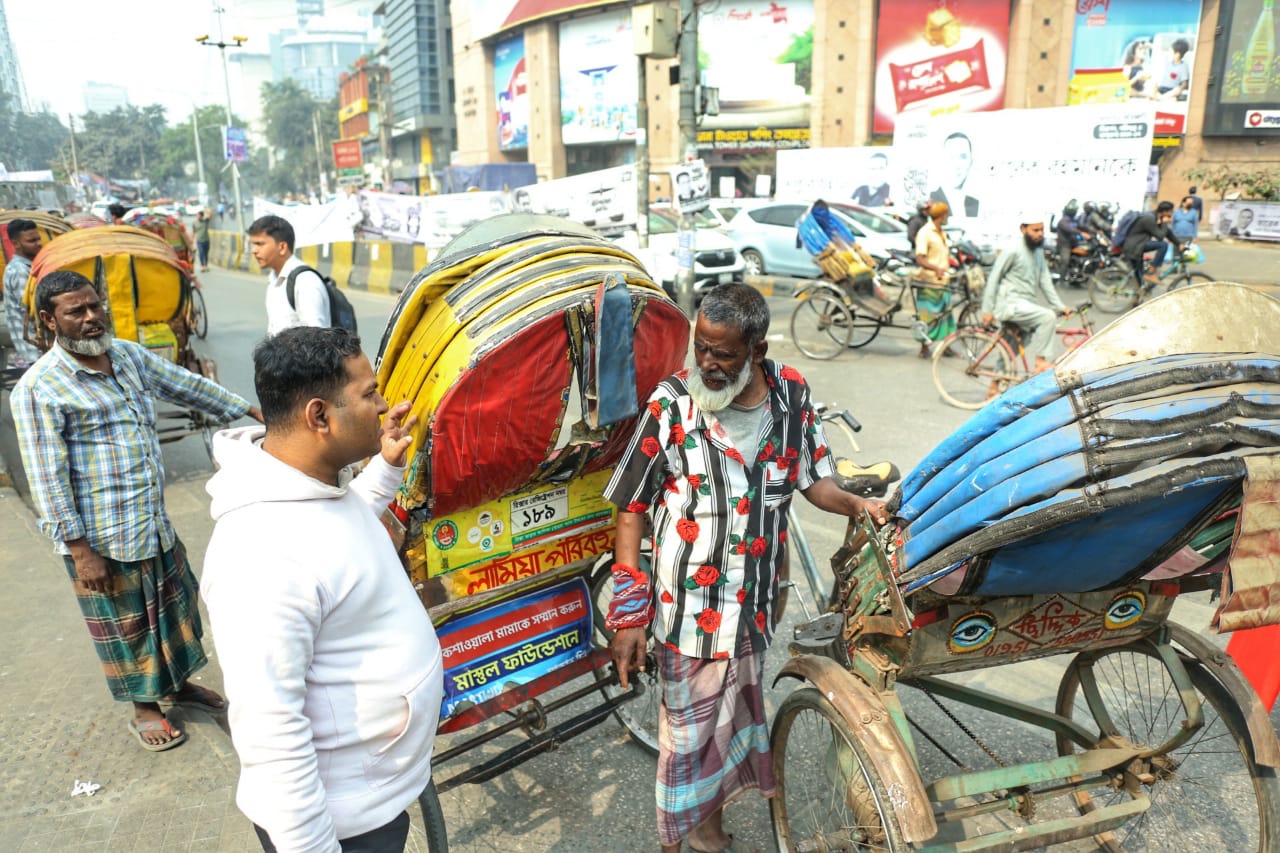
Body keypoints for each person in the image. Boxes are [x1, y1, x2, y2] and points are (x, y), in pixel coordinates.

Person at [603, 283, 887, 853]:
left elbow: (815, 480)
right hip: (688, 612)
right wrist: (629, 614)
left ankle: (708, 833)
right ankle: (675, 843)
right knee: (687, 742)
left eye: (723, 354)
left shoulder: (792, 396)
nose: (706, 363)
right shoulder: (672, 404)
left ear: (757, 350)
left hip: (754, 605)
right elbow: (630, 507)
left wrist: (857, 505)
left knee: (730, 726)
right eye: (700, 347)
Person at [202, 326, 443, 852]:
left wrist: (386, 467)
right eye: (370, 393)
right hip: (341, 827)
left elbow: (338, 528)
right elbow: (271, 736)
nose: (385, 406)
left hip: (372, 794)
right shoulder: (258, 553)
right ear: (319, 416)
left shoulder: (310, 489)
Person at [11, 270, 261, 751]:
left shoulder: (127, 356)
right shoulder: (39, 389)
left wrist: (250, 411)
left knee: (175, 610)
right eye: (76, 311)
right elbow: (47, 478)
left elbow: (186, 386)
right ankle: (145, 709)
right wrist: (79, 550)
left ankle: (178, 686)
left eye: (95, 306)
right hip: (100, 538)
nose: (91, 317)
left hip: (150, 521)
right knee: (127, 626)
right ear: (50, 320)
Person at [981, 218, 1071, 377]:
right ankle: (1040, 362)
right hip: (1010, 305)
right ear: (1023, 229)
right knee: (1047, 317)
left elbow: (1045, 281)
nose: (1040, 234)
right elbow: (994, 279)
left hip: (1026, 305)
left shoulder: (1038, 252)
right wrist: (987, 310)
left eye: (1041, 230)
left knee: (1012, 347)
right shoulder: (1012, 251)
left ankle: (994, 385)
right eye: (1035, 230)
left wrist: (1060, 306)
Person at [247, 214, 331, 335]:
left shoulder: (305, 282)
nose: (254, 250)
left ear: (282, 247)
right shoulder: (275, 279)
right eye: (254, 244)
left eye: (260, 244)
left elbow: (316, 338)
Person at [914, 201, 954, 357]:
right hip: (929, 282)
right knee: (927, 316)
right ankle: (924, 347)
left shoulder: (941, 232)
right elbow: (920, 259)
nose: (947, 217)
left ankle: (947, 346)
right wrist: (936, 268)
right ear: (942, 216)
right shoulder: (925, 232)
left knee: (946, 315)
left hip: (943, 281)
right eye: (946, 215)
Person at [3, 218, 43, 367]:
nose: (38, 243)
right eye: (32, 241)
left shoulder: (29, 267)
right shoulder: (20, 270)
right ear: (16, 244)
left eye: (38, 238)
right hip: (34, 349)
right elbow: (32, 310)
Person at [1123, 200, 1180, 285]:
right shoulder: (1149, 219)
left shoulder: (1156, 218)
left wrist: (1179, 244)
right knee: (1163, 245)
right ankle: (1151, 271)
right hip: (1134, 246)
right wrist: (1165, 223)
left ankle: (1140, 290)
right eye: (1171, 212)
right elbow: (1160, 236)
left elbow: (1167, 233)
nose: (1171, 214)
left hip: (1138, 246)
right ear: (1164, 212)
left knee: (1139, 275)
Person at [929, 131, 980, 217]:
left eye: (963, 157)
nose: (957, 165)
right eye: (951, 157)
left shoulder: (976, 205)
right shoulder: (930, 201)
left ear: (971, 162)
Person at [1055, 200, 1086, 277]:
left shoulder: (1073, 220)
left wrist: (1093, 231)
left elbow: (1082, 226)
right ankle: (1061, 280)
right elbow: (1069, 229)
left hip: (1074, 244)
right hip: (1065, 245)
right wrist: (1081, 233)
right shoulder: (1063, 221)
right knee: (1065, 261)